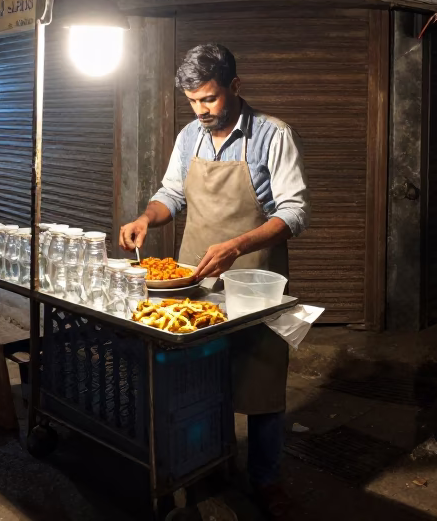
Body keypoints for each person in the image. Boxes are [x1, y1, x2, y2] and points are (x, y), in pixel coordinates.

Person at [119, 44, 310, 518]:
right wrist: (148, 217)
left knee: (262, 383)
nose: (201, 111)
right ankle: (210, 462)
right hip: (197, 281)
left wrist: (237, 246)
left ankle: (266, 480)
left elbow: (295, 211)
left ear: (235, 88)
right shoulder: (189, 137)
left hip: (256, 279)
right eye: (193, 101)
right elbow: (171, 194)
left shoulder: (272, 135)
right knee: (202, 376)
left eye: (209, 99)